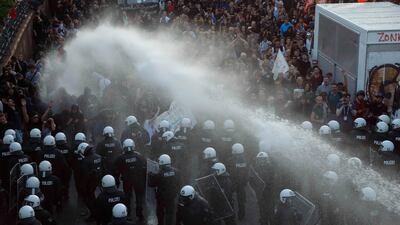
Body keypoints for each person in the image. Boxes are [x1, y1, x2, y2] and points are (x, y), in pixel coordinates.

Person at [114, 139, 147, 221]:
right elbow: (144, 169)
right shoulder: (140, 157)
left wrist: (117, 181)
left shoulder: (120, 158)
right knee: (139, 197)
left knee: (127, 197)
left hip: (127, 181)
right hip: (139, 180)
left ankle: (128, 214)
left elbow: (116, 171)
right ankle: (140, 215)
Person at [148, 154, 180, 225]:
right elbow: (179, 183)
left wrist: (150, 175)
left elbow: (151, 184)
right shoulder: (177, 172)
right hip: (172, 197)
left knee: (160, 213)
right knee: (170, 214)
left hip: (161, 198)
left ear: (161, 162)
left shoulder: (159, 174)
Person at [76, 142, 103, 222]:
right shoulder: (98, 157)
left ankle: (94, 214)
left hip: (90, 183)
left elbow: (85, 175)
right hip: (98, 179)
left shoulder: (85, 161)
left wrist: (83, 187)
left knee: (88, 199)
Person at [226, 143, 248, 220]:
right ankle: (241, 215)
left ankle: (230, 214)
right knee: (241, 200)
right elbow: (246, 172)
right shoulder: (246, 160)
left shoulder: (230, 160)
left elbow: (228, 172)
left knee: (228, 197)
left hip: (233, 182)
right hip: (241, 183)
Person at [252, 152, 275, 225]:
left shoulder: (271, 168)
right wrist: (256, 189)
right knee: (262, 211)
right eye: (260, 159)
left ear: (266, 160)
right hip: (260, 194)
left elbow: (273, 181)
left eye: (263, 159)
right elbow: (252, 180)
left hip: (269, 193)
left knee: (270, 211)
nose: (261, 161)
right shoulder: (256, 168)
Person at [54, 132, 72, 200]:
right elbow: (71, 160)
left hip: (57, 170)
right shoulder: (68, 148)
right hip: (67, 170)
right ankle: (66, 195)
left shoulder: (55, 150)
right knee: (66, 184)